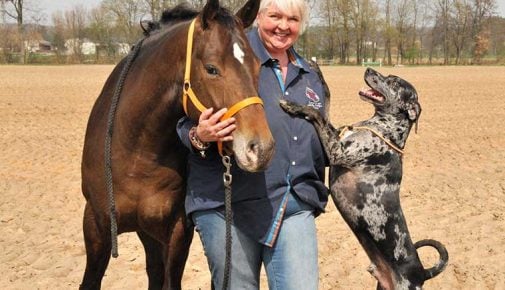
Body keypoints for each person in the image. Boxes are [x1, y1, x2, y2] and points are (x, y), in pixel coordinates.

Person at [177, 0, 329, 289]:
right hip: (229, 204)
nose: (283, 26)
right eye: (275, 16)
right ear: (258, 17)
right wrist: (200, 134)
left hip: (292, 202)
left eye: (293, 19)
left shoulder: (309, 75)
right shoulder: (232, 55)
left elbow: (320, 137)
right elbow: (181, 123)